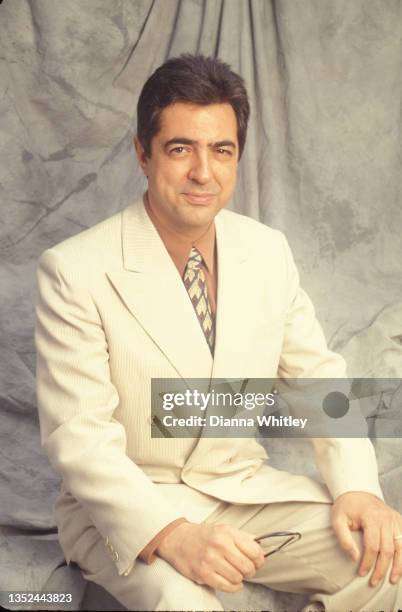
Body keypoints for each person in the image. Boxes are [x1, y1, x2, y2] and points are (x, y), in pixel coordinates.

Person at [35, 54, 402, 612]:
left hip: (242, 490)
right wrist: (172, 534)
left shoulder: (267, 251)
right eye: (181, 148)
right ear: (143, 153)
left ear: (236, 158)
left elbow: (317, 379)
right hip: (128, 511)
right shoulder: (74, 270)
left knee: (385, 565)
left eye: (221, 150)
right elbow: (80, 440)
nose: (203, 172)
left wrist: (358, 486)